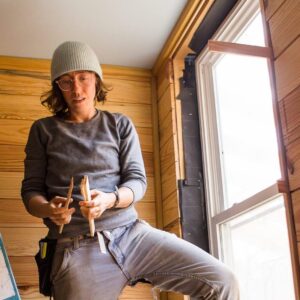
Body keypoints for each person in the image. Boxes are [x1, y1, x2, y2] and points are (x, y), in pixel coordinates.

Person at [21, 41, 239, 300]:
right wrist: (49, 209)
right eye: (66, 81)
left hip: (132, 234)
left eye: (83, 78)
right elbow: (31, 192)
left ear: (96, 80)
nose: (76, 89)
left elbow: (137, 182)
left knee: (222, 281)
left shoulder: (119, 124)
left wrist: (110, 199)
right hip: (75, 244)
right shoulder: (43, 130)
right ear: (57, 86)